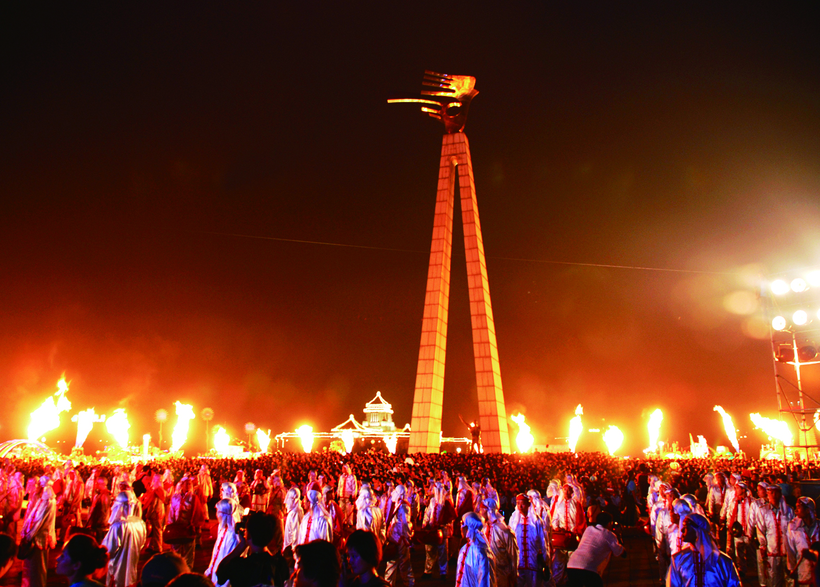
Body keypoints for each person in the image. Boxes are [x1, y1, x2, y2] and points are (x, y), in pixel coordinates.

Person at [666, 513, 740, 587]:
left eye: (686, 527)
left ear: (697, 531)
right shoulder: (678, 559)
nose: (682, 530)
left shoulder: (723, 562)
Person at [216, 512, 289, 587]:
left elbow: (220, 575)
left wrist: (241, 545)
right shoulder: (280, 564)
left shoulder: (239, 566)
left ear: (249, 535)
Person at [566, 512, 625, 587]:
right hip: (588, 568)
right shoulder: (609, 535)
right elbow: (622, 553)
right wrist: (618, 535)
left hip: (572, 565)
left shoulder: (589, 529)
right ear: (609, 523)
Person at [102, 491, 147, 587]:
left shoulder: (118, 526)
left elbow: (109, 549)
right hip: (132, 568)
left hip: (117, 569)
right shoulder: (140, 523)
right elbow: (142, 543)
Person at [21, 476, 57, 587]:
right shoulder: (43, 500)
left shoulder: (47, 501)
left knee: (37, 568)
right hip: (36, 538)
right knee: (32, 568)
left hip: (39, 539)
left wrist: (29, 535)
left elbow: (38, 521)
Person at [756, 484, 794, 587]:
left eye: (775, 492)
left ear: (780, 494)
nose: (772, 495)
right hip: (771, 552)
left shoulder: (789, 511)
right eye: (770, 492)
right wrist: (763, 548)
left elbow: (793, 531)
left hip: (787, 552)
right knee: (773, 580)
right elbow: (760, 531)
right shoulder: (763, 511)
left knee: (789, 580)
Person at [167, 476, 206, 570]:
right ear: (182, 485)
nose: (188, 485)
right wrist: (170, 524)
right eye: (186, 484)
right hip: (176, 528)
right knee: (176, 549)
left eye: (189, 484)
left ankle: (187, 570)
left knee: (188, 551)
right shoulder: (175, 497)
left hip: (188, 528)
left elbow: (198, 512)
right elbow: (172, 511)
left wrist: (194, 525)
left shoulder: (193, 497)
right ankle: (176, 569)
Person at [508, 494, 547, 587]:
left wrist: (545, 560)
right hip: (519, 560)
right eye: (518, 503)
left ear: (528, 505)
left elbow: (542, 540)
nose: (520, 506)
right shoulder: (514, 520)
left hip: (533, 560)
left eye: (523, 504)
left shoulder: (536, 521)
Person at [205, 493, 241, 587]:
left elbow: (229, 566)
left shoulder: (232, 537)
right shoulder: (223, 531)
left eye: (218, 512)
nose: (216, 515)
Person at [481, 498, 517, 587]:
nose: (480, 511)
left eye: (482, 509)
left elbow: (512, 552)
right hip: (487, 570)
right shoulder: (484, 528)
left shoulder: (502, 529)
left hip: (502, 571)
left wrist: (514, 571)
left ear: (489, 510)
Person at [455, 512, 496, 587]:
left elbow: (484, 581)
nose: (461, 527)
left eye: (463, 524)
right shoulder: (464, 549)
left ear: (469, 527)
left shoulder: (480, 552)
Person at [787, 496, 820, 586]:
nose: (796, 510)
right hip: (803, 574)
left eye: (799, 507)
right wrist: (792, 569)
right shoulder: (793, 527)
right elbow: (791, 551)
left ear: (808, 510)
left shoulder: (819, 526)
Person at [384, 502, 415, 587]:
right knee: (393, 562)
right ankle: (389, 583)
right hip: (396, 537)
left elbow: (405, 523)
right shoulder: (397, 503)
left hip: (400, 538)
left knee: (403, 563)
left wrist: (408, 535)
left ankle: (408, 583)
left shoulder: (403, 505)